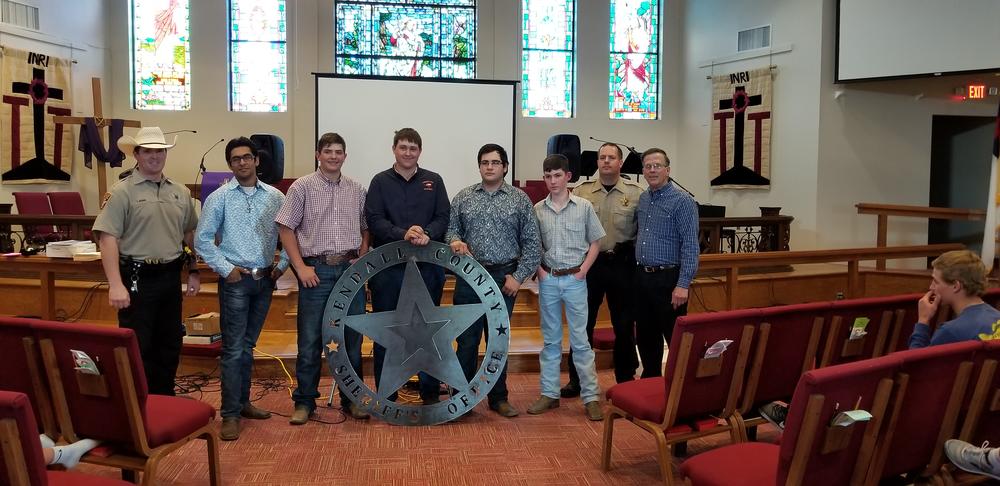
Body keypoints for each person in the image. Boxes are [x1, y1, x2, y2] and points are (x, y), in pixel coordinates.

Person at [93, 126, 200, 396]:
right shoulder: (121, 192)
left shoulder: (179, 192)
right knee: (139, 344)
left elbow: (189, 234)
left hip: (169, 277)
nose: (155, 156)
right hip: (136, 278)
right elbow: (107, 239)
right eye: (148, 151)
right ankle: (138, 401)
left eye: (160, 151)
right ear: (137, 155)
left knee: (170, 341)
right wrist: (115, 284)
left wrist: (194, 270)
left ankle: (164, 398)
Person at [195, 137, 289, 440]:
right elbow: (202, 240)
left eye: (247, 157)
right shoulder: (219, 198)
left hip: (265, 280)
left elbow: (291, 232)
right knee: (234, 350)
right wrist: (226, 269)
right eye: (236, 159)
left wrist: (282, 265)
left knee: (247, 346)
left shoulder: (275, 197)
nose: (243, 163)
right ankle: (230, 414)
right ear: (230, 164)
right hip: (236, 280)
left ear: (257, 161)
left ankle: (244, 402)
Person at [276, 132, 369, 425]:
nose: (333, 156)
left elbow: (367, 227)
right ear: (318, 154)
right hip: (315, 272)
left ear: (345, 156)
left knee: (351, 338)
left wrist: (362, 254)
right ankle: (304, 401)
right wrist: (300, 267)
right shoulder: (302, 187)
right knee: (311, 339)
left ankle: (351, 399)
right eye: (327, 151)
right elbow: (285, 228)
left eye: (338, 152)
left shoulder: (357, 189)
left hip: (349, 273)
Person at [447, 143, 541, 417]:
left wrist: (518, 277)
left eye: (495, 162)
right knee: (467, 340)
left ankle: (498, 398)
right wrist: (454, 240)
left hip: (504, 278)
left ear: (505, 167)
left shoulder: (520, 200)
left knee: (497, 342)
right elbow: (451, 229)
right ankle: (462, 399)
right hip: (469, 276)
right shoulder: (463, 197)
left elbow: (533, 244)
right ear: (479, 166)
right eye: (485, 162)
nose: (490, 167)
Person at [365, 127, 450, 404]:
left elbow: (443, 216)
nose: (408, 153)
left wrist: (427, 233)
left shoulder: (434, 181)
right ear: (394, 149)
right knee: (386, 331)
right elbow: (374, 219)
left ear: (419, 152)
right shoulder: (379, 181)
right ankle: (387, 395)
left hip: (428, 269)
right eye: (403, 147)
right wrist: (403, 233)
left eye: (413, 148)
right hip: (388, 272)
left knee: (429, 332)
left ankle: (429, 394)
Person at [562, 142, 643, 398]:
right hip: (590, 264)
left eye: (611, 158)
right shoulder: (582, 192)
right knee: (582, 324)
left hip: (622, 263)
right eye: (602, 157)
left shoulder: (637, 193)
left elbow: (643, 231)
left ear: (620, 163)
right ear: (597, 162)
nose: (606, 161)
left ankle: (626, 378)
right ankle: (577, 380)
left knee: (624, 324)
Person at [528, 154, 605, 421]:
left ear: (568, 176)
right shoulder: (537, 209)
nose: (552, 181)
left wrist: (583, 271)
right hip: (548, 280)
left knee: (581, 341)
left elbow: (596, 242)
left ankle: (591, 397)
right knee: (550, 341)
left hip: (575, 280)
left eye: (557, 175)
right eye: (547, 176)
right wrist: (540, 271)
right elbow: (533, 246)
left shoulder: (583, 206)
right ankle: (549, 394)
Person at [633, 147, 698, 378]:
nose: (652, 170)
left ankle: (681, 387)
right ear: (643, 170)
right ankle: (651, 380)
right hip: (642, 278)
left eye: (657, 166)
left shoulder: (682, 202)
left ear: (667, 170)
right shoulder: (643, 198)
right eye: (648, 166)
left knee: (675, 338)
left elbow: (691, 245)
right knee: (646, 335)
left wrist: (683, 285)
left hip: (669, 279)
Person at [910, 249, 1000, 348]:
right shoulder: (997, 316)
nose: (931, 287)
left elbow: (915, 363)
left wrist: (923, 320)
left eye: (936, 281)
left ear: (955, 286)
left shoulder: (950, 331)